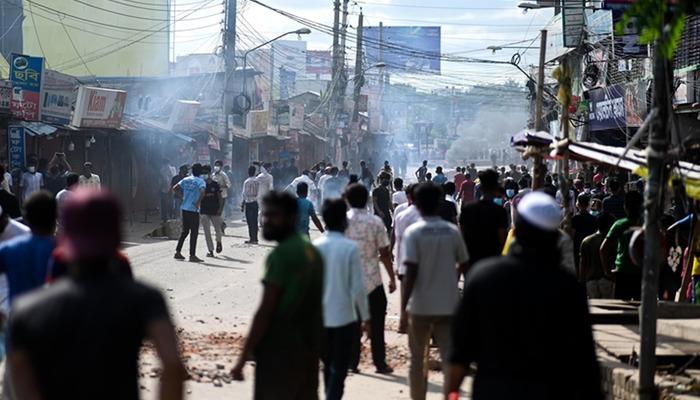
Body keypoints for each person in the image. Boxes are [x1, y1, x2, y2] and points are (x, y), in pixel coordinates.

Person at [7, 190, 186, 400]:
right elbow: (173, 365)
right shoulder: (146, 299)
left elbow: (20, 378)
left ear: (66, 237)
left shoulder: (27, 309)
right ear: (117, 234)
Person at [446, 192, 602, 400]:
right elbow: (584, 358)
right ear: (555, 237)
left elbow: (461, 351)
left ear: (517, 229)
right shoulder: (567, 287)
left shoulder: (484, 277)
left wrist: (451, 393)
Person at [231, 191, 324, 399]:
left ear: (291, 219)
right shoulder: (311, 250)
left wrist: (242, 358)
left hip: (280, 349)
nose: (266, 221)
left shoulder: (281, 255)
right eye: (265, 215)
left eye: (273, 216)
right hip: (308, 346)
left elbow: (265, 311)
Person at [402, 183, 468, 400]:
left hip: (420, 306)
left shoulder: (414, 233)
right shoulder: (452, 232)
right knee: (450, 357)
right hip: (448, 305)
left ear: (417, 204)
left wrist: (404, 310)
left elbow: (410, 271)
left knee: (417, 359)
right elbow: (464, 266)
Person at [313, 199, 369, 400]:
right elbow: (358, 287)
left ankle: (330, 394)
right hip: (345, 318)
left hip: (319, 318)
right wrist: (366, 317)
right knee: (340, 366)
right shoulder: (350, 248)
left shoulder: (315, 246)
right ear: (343, 221)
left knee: (327, 364)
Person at [345, 183, 397, 374]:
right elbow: (384, 253)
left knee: (352, 323)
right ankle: (379, 363)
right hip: (373, 280)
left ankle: (352, 362)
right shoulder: (375, 222)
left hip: (349, 281)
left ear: (348, 201)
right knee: (377, 324)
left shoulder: (342, 222)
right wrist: (392, 278)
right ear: (366, 200)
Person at [0, 191, 56, 305]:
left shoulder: (8, 249)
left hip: (18, 314)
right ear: (56, 216)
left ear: (26, 218)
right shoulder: (64, 252)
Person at [459, 169, 508, 275]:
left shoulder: (468, 208)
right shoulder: (500, 211)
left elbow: (461, 235)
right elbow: (502, 239)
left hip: (471, 259)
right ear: (496, 187)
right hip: (492, 260)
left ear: (480, 188)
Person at [600, 191, 644, 300]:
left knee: (621, 307)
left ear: (625, 206)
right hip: (643, 271)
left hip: (622, 271)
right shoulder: (646, 224)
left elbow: (603, 248)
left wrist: (607, 271)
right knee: (642, 307)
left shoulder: (619, 224)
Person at [392, 184, 420, 334]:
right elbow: (394, 232)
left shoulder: (403, 213)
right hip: (406, 258)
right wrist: (390, 249)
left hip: (405, 259)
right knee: (407, 291)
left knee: (408, 291)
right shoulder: (401, 211)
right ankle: (405, 322)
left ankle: (407, 322)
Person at [173, 163, 206, 262]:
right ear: (200, 172)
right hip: (193, 210)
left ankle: (178, 252)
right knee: (194, 232)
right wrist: (198, 203)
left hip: (184, 208)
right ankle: (192, 255)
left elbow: (175, 188)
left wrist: (182, 196)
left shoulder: (186, 179)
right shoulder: (200, 181)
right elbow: (203, 192)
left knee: (185, 231)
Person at [580, 212, 616, 298]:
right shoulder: (611, 241)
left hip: (590, 281)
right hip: (607, 281)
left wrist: (581, 282)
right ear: (609, 225)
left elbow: (582, 263)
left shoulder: (586, 240)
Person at [200, 166, 224, 258]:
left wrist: (220, 209)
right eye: (203, 173)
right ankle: (210, 250)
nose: (204, 175)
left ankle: (219, 242)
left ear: (210, 173)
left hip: (215, 210)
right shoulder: (201, 184)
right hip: (204, 210)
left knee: (217, 229)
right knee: (207, 231)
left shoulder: (215, 184)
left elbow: (220, 198)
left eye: (205, 173)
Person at [571, 193, 597, 274]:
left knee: (578, 265)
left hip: (578, 245)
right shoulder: (593, 219)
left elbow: (572, 234)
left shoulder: (575, 218)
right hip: (590, 244)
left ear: (577, 204)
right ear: (588, 204)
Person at [241, 165, 260, 244]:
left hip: (248, 203)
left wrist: (242, 204)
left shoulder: (246, 181)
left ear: (248, 172)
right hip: (255, 203)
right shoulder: (257, 181)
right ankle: (255, 238)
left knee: (249, 221)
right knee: (254, 221)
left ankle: (252, 238)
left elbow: (244, 194)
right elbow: (259, 192)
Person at [212, 160, 231, 231]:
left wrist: (221, 185)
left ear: (221, 166)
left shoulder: (223, 175)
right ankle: (222, 224)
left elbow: (229, 184)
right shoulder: (213, 175)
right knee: (214, 212)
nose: (216, 167)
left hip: (222, 195)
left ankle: (220, 226)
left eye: (218, 165)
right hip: (214, 196)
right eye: (215, 165)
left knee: (220, 211)